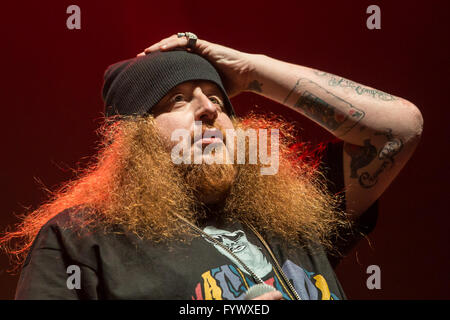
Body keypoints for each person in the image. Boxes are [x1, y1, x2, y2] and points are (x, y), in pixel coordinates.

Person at [1, 33, 423, 300]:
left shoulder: (294, 216)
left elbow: (398, 128)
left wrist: (251, 71)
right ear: (136, 138)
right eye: (177, 99)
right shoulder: (82, 240)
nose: (209, 110)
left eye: (218, 99)